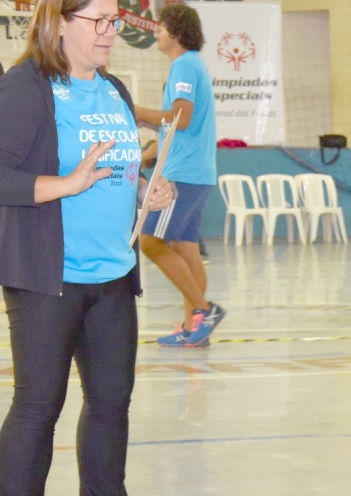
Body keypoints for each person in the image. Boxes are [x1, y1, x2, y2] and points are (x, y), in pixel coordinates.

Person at [0, 0, 174, 496]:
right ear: (58, 22)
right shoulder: (27, 88)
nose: (110, 33)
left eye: (115, 22)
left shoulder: (114, 90)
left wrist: (148, 188)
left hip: (112, 275)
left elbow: (118, 172)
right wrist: (66, 184)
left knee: (111, 403)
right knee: (37, 407)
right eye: (98, 22)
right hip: (49, 275)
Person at [135, 4, 224, 348]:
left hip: (182, 176)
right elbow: (175, 127)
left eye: (160, 28)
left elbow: (180, 118)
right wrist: (145, 150)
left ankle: (204, 311)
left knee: (149, 241)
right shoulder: (190, 65)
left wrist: (138, 111)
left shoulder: (184, 64)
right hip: (196, 172)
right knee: (185, 248)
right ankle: (193, 328)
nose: (155, 32)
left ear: (175, 31)